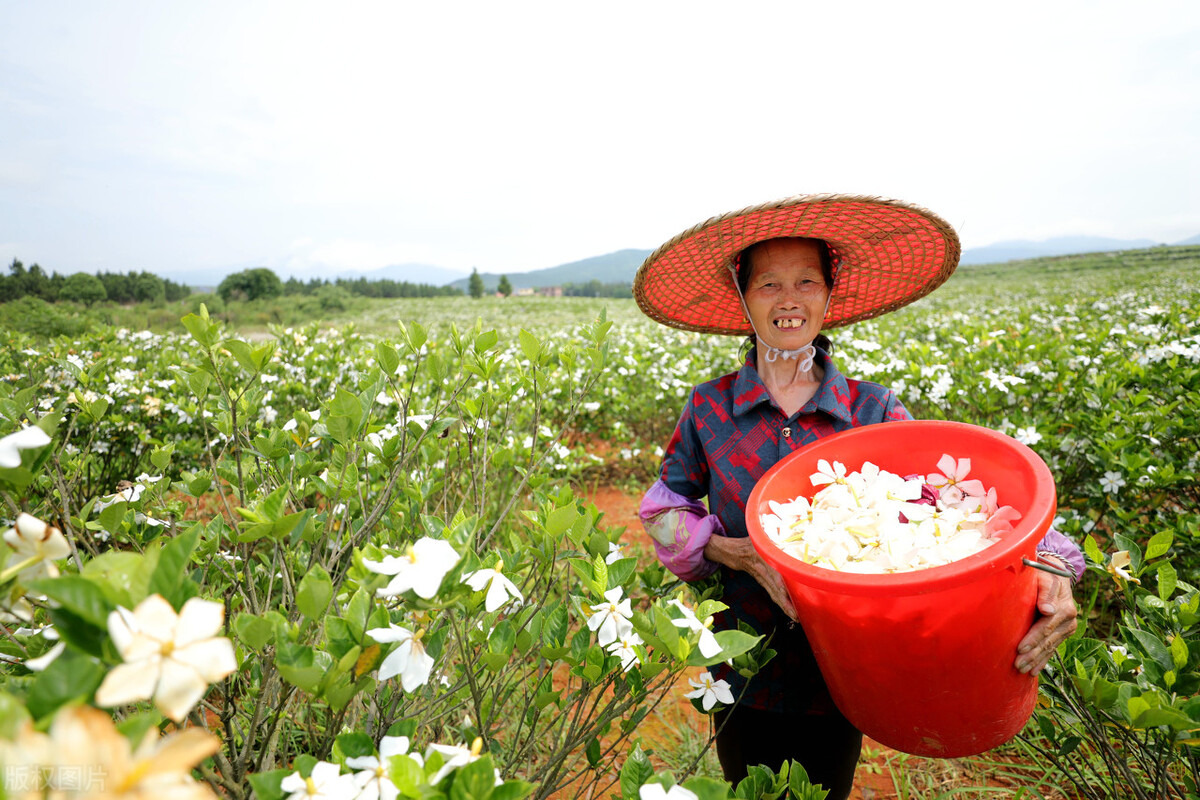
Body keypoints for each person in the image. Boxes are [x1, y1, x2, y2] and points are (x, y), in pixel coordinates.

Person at [634, 195, 1084, 799]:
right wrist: (732, 552)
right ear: (743, 297)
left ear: (829, 294)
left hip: (849, 674)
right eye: (768, 284)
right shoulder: (709, 407)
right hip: (742, 667)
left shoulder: (872, 411)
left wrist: (1055, 566)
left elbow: (959, 508)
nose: (788, 300)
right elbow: (664, 511)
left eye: (806, 282)